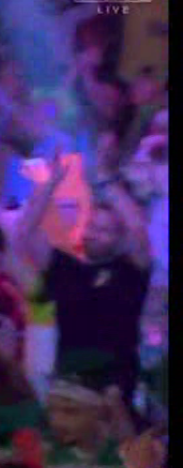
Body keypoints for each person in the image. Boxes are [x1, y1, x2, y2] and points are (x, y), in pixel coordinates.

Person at [17, 152, 151, 406]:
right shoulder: (66, 268)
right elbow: (25, 233)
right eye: (91, 226)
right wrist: (51, 183)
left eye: (104, 230)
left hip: (115, 386)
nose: (92, 234)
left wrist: (105, 181)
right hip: (69, 382)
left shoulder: (131, 271)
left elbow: (137, 227)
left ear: (119, 239)